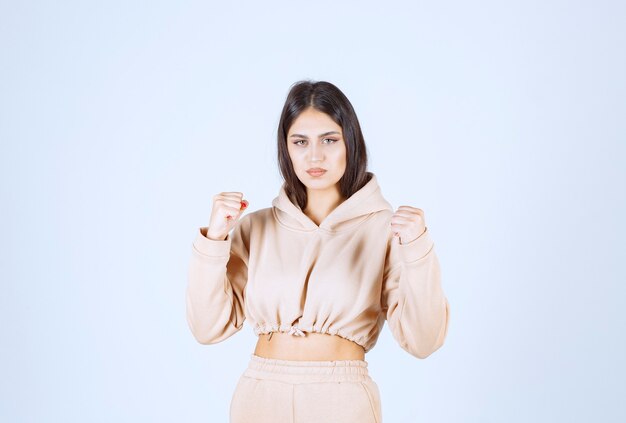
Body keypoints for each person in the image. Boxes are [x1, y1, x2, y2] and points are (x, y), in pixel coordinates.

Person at [186, 80, 450, 423]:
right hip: (260, 396)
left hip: (341, 399)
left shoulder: (388, 229)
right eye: (300, 142)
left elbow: (424, 341)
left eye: (329, 139)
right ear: (286, 149)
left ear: (350, 144)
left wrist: (417, 250)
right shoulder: (256, 227)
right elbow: (207, 328)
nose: (315, 155)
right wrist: (214, 239)